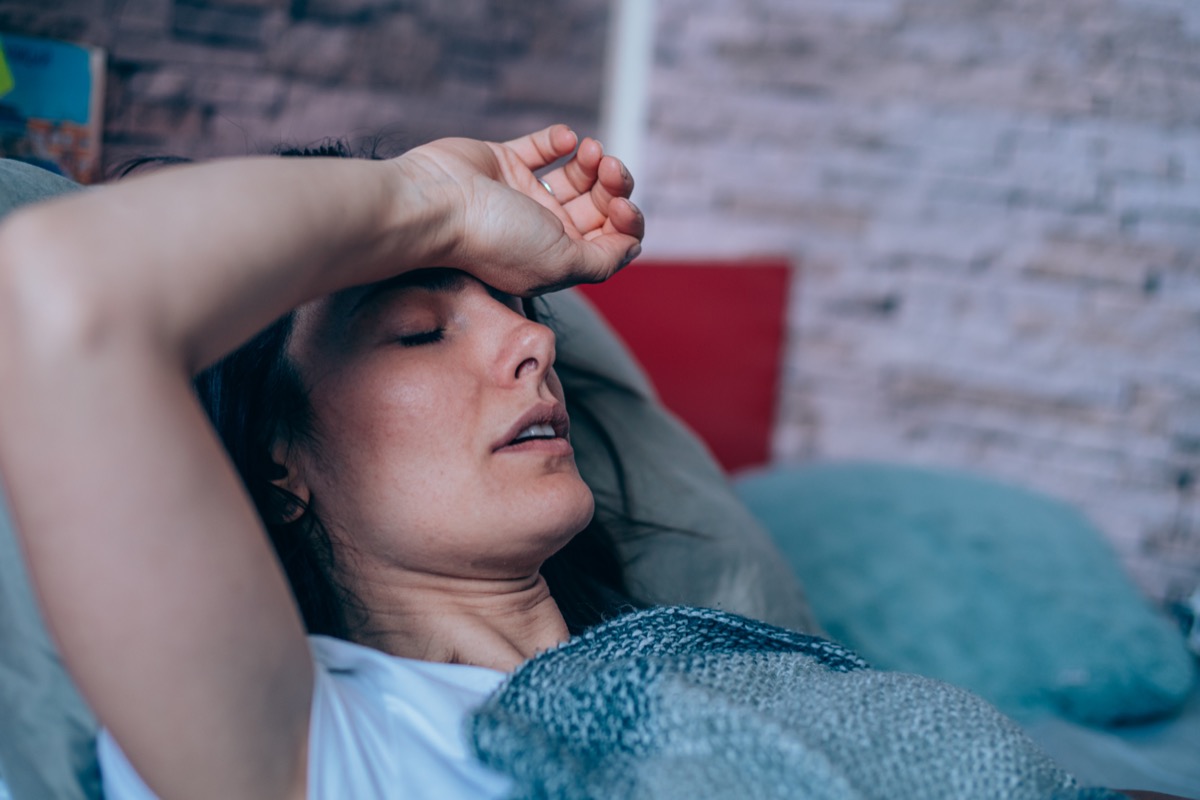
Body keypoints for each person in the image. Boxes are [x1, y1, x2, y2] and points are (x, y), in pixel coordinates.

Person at [0, 124, 642, 799]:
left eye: (514, 305)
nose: (534, 337)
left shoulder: (680, 659)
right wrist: (434, 194)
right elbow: (53, 290)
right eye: (418, 333)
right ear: (280, 469)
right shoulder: (314, 745)